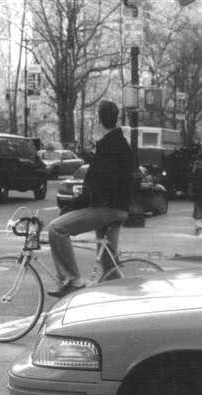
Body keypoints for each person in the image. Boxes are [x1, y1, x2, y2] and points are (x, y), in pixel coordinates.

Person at [46, 100, 132, 297]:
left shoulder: (107, 146)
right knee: (109, 267)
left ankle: (72, 280)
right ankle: (122, 299)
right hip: (120, 208)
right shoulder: (121, 144)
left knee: (56, 228)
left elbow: (95, 187)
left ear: (100, 121)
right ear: (116, 119)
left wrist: (73, 205)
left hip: (107, 209)